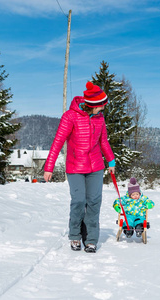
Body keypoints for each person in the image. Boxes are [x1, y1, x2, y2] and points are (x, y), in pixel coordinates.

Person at [43, 82, 115, 254]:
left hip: (96, 166)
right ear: (92, 105)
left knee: (94, 202)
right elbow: (58, 141)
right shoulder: (70, 116)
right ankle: (75, 235)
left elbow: (103, 141)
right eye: (101, 106)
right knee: (79, 201)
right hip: (75, 167)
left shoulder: (100, 118)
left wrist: (111, 161)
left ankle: (91, 240)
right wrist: (49, 167)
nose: (103, 108)